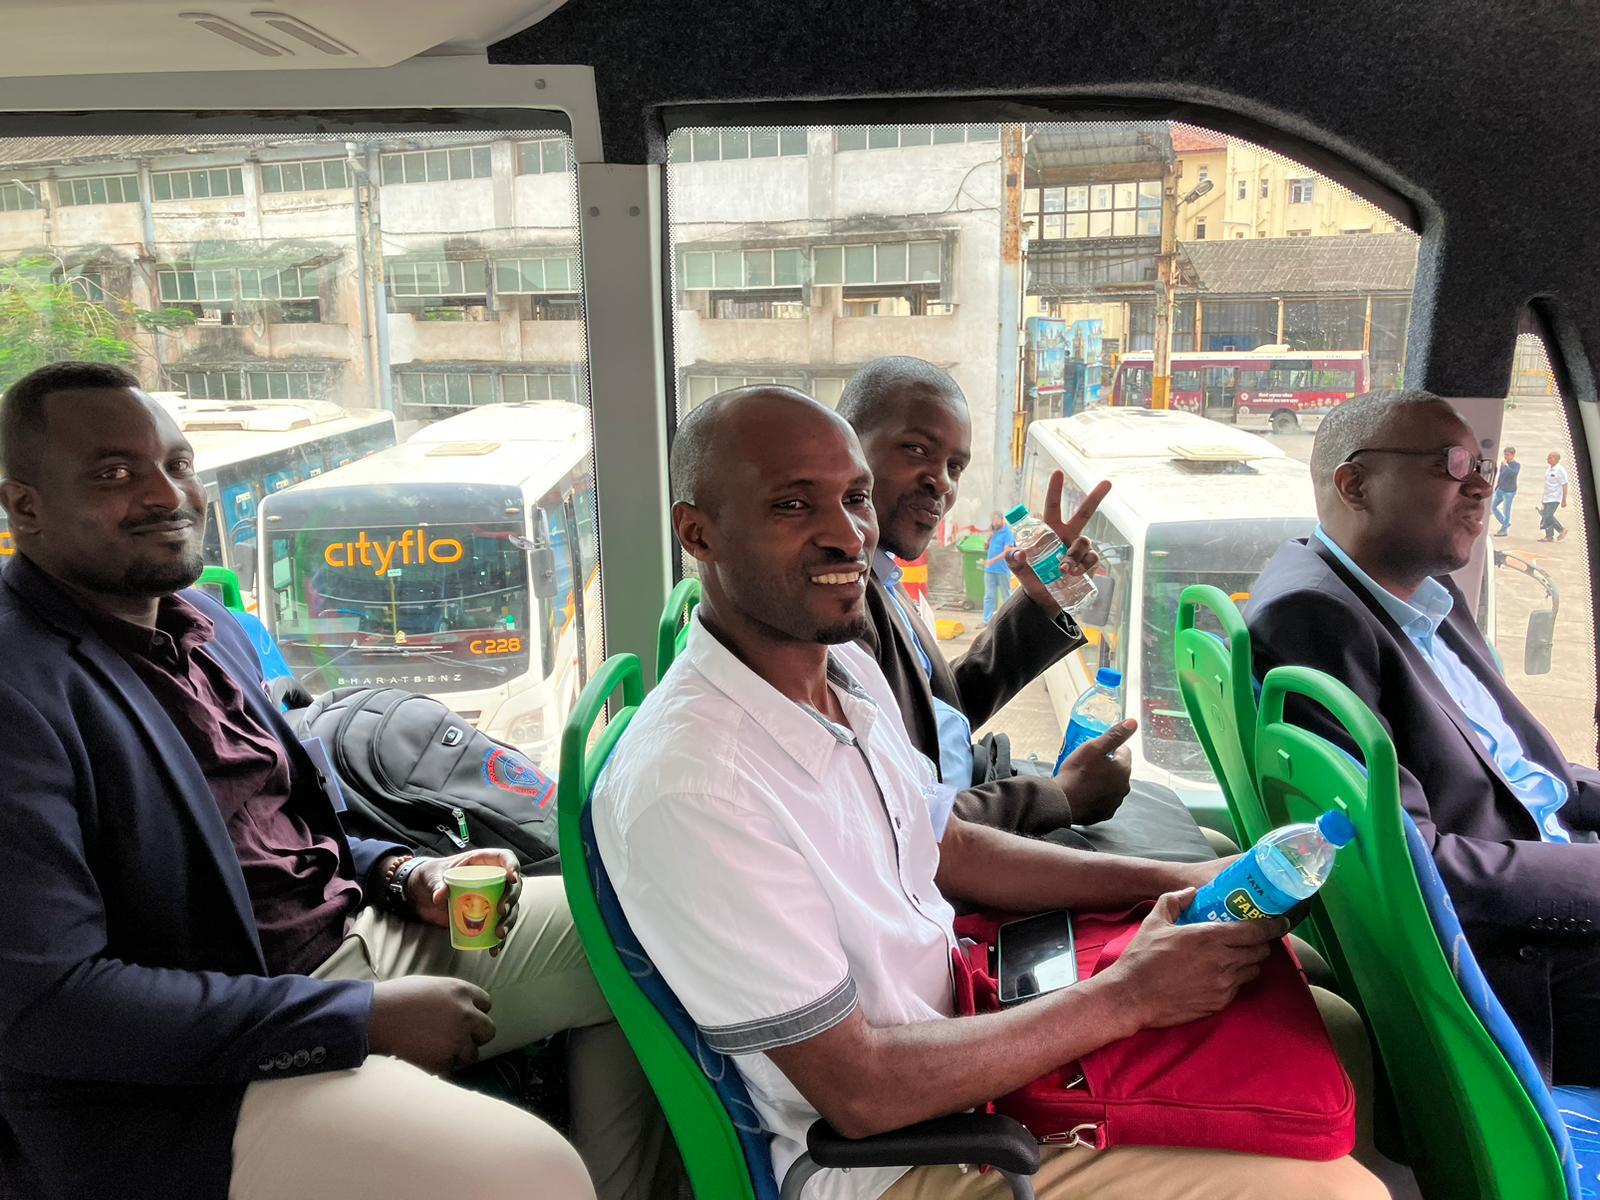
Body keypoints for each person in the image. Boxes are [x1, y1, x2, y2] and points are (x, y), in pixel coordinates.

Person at [594, 384, 1383, 1200]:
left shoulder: (841, 668)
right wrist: (1128, 996)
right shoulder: (695, 786)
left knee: (1316, 1015)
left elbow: (949, 847)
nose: (847, 534)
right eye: (794, 505)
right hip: (901, 1151)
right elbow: (861, 1090)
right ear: (698, 532)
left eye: (855, 498)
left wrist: (1183, 882)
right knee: (1345, 1192)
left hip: (965, 1008)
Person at [0, 363, 672, 1200]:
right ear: (24, 506)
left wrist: (402, 872)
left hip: (346, 940)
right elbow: (52, 1007)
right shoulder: (21, 690)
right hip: (188, 1078)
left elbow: (277, 823)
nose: (165, 494)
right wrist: (354, 1021)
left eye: (175, 464)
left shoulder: (206, 629)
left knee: (640, 925)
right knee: (523, 1170)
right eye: (114, 473)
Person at [1247, 389, 1600, 1085]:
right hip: (1508, 955)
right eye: (1454, 463)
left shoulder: (1422, 598)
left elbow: (1525, 774)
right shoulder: (1315, 619)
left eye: (1486, 465)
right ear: (1355, 483)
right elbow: (1412, 864)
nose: (1481, 484)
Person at [836, 357, 1216, 861]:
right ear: (844, 444)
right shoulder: (835, 606)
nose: (942, 483)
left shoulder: (884, 577)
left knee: (1209, 843)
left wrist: (1041, 603)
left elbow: (937, 715)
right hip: (952, 857)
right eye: (916, 450)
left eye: (954, 466)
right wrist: (1059, 798)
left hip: (974, 801)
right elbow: (898, 823)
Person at [980, 510, 1015, 622]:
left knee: (1006, 596)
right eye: (993, 520)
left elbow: (1006, 552)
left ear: (1001, 519)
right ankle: (987, 620)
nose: (994, 522)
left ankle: (1008, 620)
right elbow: (986, 548)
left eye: (996, 519)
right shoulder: (993, 532)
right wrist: (988, 539)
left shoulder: (1008, 533)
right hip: (990, 570)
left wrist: (992, 561)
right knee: (989, 596)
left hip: (1002, 569)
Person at [1540, 449, 1569, 541]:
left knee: (1548, 516)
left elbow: (1565, 484)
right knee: (1546, 516)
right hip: (1547, 497)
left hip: (1555, 497)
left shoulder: (1560, 470)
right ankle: (1549, 536)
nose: (1547, 458)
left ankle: (1561, 529)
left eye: (1550, 457)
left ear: (1556, 459)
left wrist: (1564, 499)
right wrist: (1543, 499)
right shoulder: (1549, 468)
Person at [1491, 445, 1519, 536]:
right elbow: (1501, 475)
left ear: (1513, 455)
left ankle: (1503, 530)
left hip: (1509, 491)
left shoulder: (1516, 465)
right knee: (1493, 507)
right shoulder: (1503, 464)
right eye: (1505, 455)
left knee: (1506, 511)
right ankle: (1505, 523)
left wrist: (1506, 465)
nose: (1506, 457)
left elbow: (1513, 474)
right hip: (1501, 489)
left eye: (1508, 455)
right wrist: (1497, 486)